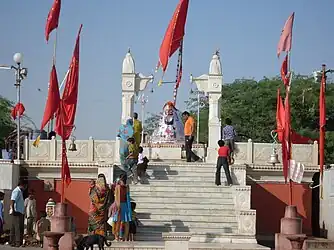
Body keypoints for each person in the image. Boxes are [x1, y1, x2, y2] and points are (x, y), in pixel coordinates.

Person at [112, 174, 132, 241]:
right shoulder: (127, 187)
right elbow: (128, 197)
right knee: (126, 222)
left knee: (117, 221)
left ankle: (116, 236)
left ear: (120, 179)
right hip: (125, 206)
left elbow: (116, 197)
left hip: (119, 205)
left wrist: (117, 207)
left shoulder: (118, 187)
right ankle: (125, 237)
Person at [9, 179, 26, 247]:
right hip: (17, 212)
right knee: (18, 227)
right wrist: (13, 210)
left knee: (13, 227)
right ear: (23, 185)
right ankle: (17, 242)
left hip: (18, 211)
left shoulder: (19, 191)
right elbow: (12, 200)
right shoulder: (17, 191)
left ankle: (12, 241)